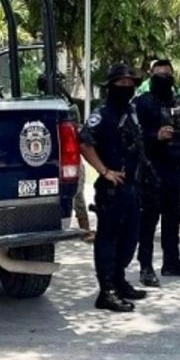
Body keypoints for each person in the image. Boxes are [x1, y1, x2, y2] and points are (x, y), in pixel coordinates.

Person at [79, 63, 149, 312]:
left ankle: (119, 280)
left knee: (130, 239)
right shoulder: (103, 114)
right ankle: (106, 290)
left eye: (130, 84)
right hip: (112, 188)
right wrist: (104, 171)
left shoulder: (131, 111)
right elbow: (84, 142)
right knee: (108, 239)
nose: (127, 88)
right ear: (111, 86)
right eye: (121, 84)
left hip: (133, 186)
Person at [133, 59, 180, 287]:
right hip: (151, 170)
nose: (163, 78)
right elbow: (130, 135)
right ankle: (146, 266)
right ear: (151, 76)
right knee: (148, 221)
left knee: (173, 218)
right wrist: (154, 136)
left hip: (176, 171)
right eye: (158, 75)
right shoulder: (142, 103)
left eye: (167, 74)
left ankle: (172, 262)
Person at [39, 72, 93, 242]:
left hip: (61, 154)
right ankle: (83, 230)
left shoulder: (61, 104)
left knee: (77, 191)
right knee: (75, 191)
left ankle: (84, 229)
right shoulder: (56, 105)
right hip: (60, 154)